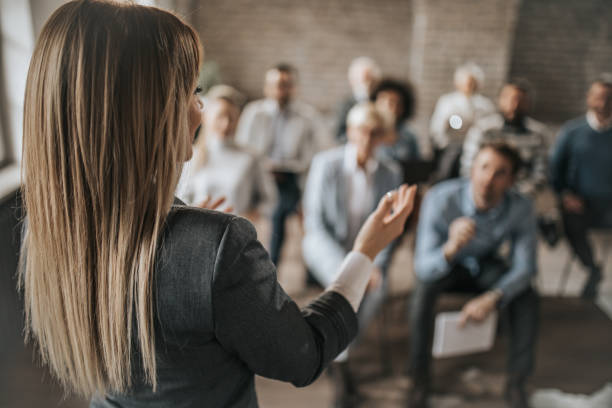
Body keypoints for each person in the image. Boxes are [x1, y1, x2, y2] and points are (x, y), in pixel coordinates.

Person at [18, 2, 417, 408]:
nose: (200, 112)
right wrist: (364, 253)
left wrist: (189, 230)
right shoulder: (218, 244)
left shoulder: (48, 228)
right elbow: (304, 356)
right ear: (148, 112)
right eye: (192, 92)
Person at [409, 142, 539, 408]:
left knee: (527, 295)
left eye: (500, 172)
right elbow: (422, 266)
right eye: (483, 167)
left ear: (512, 180)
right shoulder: (440, 198)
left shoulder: (521, 207)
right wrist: (451, 247)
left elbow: (526, 267)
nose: (488, 179)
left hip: (486, 264)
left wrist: (493, 297)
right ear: (472, 168)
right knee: (421, 293)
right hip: (448, 263)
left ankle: (517, 383)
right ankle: (419, 381)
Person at [302, 102, 403, 406]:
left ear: (382, 137)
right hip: (325, 247)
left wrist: (375, 263)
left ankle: (336, 354)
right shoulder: (326, 164)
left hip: (369, 252)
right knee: (350, 282)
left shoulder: (391, 172)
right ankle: (343, 369)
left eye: (374, 133)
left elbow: (390, 229)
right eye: (361, 131)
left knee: (376, 286)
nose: (366, 139)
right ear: (349, 131)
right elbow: (314, 225)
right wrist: (353, 266)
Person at [235, 63, 326, 265]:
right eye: (276, 84)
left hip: (292, 176)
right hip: (259, 175)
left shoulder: (308, 116)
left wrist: (291, 167)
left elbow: (315, 152)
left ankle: (276, 265)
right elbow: (242, 148)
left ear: (294, 87)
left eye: (286, 84)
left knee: (284, 207)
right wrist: (264, 167)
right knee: (276, 208)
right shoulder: (254, 112)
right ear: (266, 87)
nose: (280, 89)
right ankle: (269, 264)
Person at [550, 75, 612, 300]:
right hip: (581, 203)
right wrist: (565, 195)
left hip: (609, 204)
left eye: (609, 98)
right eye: (599, 97)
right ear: (589, 99)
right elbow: (555, 170)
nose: (604, 103)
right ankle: (592, 268)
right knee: (571, 221)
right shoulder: (572, 132)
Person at [177, 84, 277, 220]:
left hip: (238, 232)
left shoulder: (251, 157)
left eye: (231, 118)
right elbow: (181, 200)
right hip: (202, 230)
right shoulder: (190, 156)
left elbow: (270, 200)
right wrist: (197, 211)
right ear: (206, 117)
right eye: (220, 116)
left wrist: (248, 218)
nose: (226, 124)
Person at [461, 79, 550, 197]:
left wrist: (514, 197)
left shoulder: (538, 135)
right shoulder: (483, 129)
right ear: (500, 100)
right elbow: (468, 166)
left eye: (521, 100)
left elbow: (541, 173)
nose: (515, 105)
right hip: (484, 194)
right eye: (510, 98)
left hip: (520, 199)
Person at [429, 62, 496, 180]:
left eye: (473, 82)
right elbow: (437, 128)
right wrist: (444, 144)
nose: (470, 85)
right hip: (453, 146)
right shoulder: (447, 102)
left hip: (476, 147)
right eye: (467, 81)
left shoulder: (485, 105)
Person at [370, 78, 421, 166]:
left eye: (393, 102)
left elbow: (417, 166)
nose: (387, 107)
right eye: (383, 101)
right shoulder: (367, 131)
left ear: (402, 108)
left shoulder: (409, 137)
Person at [335, 57, 382, 144]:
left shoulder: (379, 103)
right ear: (352, 81)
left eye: (371, 80)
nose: (367, 85)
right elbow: (338, 135)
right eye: (364, 80)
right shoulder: (345, 105)